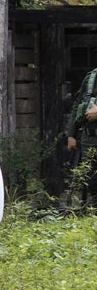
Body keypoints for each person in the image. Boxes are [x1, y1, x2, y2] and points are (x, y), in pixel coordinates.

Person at [66, 65, 97, 209]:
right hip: (89, 138)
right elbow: (78, 104)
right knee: (91, 180)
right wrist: (71, 134)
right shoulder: (91, 77)